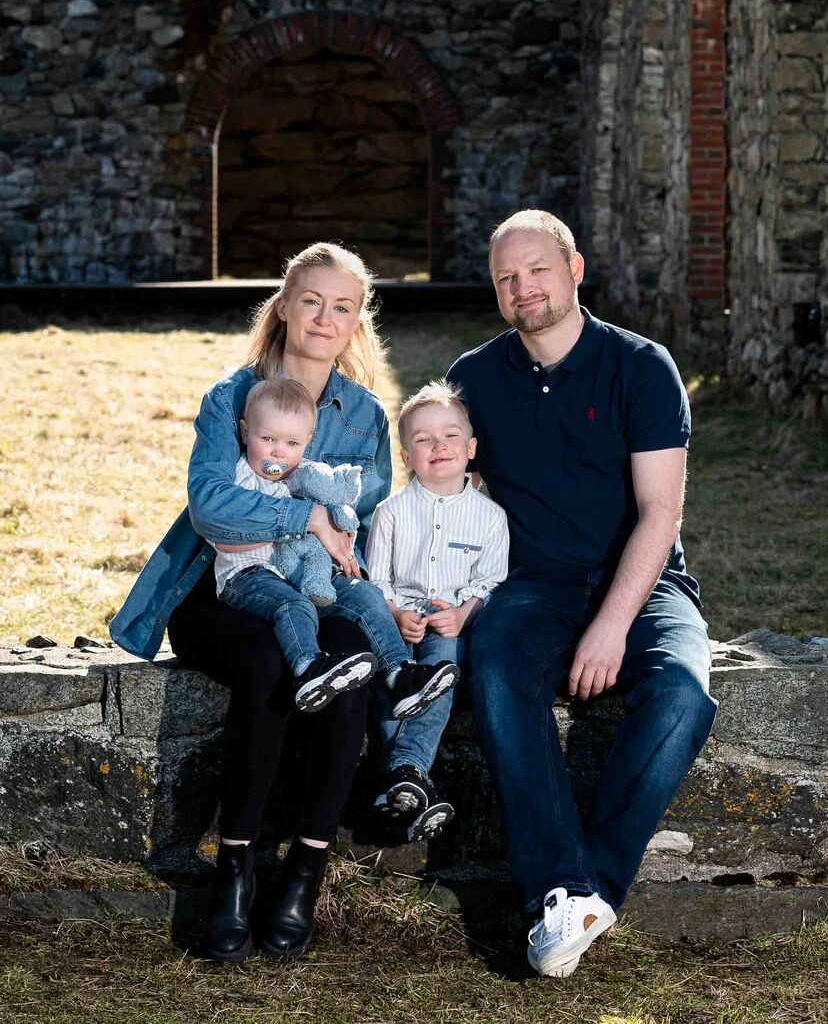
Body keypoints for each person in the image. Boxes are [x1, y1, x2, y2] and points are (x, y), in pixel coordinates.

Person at [110, 243, 395, 964]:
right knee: (268, 660)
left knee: (351, 665)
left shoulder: (365, 416)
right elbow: (211, 505)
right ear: (285, 306)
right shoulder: (231, 397)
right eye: (311, 301)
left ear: (356, 321)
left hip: (314, 593)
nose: (324, 317)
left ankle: (305, 869)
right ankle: (233, 869)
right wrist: (307, 518)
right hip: (222, 590)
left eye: (342, 306)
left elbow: (370, 522)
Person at [450, 209, 717, 979]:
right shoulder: (474, 377)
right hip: (531, 584)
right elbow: (449, 497)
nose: (522, 287)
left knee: (682, 695)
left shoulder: (642, 365)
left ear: (574, 269)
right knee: (496, 668)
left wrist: (611, 623)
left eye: (537, 269)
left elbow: (661, 514)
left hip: (643, 578)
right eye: (506, 276)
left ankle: (579, 891)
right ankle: (565, 892)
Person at [212, 376, 457, 719]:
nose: (278, 451)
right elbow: (223, 534)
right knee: (294, 604)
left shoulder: (303, 475)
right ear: (244, 432)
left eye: (292, 443)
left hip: (303, 573)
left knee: (364, 594)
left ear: (307, 442)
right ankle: (308, 667)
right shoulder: (239, 478)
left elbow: (335, 507)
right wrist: (294, 526)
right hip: (249, 575)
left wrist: (339, 523)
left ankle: (400, 673)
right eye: (267, 439)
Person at [365, 379, 509, 844]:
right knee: (390, 681)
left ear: (471, 449)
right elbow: (375, 579)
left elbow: (492, 581)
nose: (439, 446)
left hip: (450, 624)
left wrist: (464, 614)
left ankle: (403, 773)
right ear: (407, 456)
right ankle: (409, 780)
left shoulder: (490, 517)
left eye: (450, 436)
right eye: (423, 439)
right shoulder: (391, 513)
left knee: (441, 670)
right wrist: (393, 613)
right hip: (399, 623)